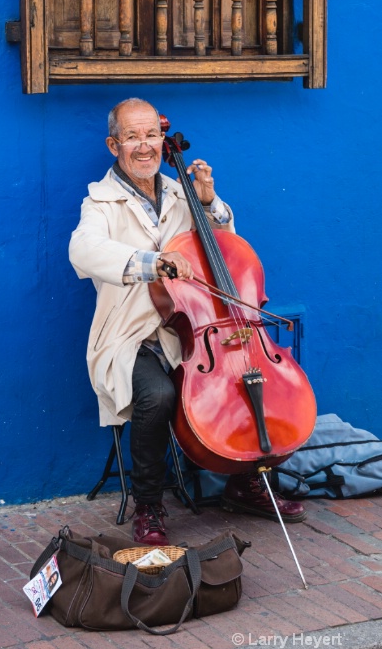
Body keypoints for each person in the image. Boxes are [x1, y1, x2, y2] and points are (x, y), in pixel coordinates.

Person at [69, 98, 305, 545]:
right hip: (132, 336)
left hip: (194, 331)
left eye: (152, 135)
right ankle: (149, 505)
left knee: (240, 383)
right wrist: (151, 262)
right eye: (133, 137)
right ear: (114, 145)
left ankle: (244, 482)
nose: (145, 146)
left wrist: (210, 201)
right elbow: (83, 252)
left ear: (163, 140)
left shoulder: (180, 191)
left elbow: (225, 250)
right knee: (158, 395)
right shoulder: (100, 202)